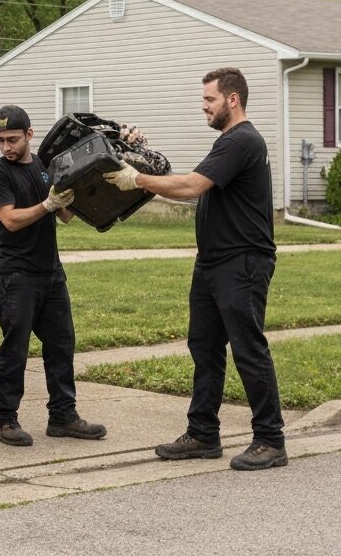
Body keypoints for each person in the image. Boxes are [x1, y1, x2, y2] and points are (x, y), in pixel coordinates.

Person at [102, 67, 287, 471]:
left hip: (242, 262)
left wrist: (137, 180)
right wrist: (137, 154)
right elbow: (186, 182)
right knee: (204, 348)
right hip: (213, 262)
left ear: (232, 100)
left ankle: (271, 440)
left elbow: (189, 186)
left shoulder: (242, 140)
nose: (203, 106)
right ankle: (203, 433)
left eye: (209, 100)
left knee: (248, 348)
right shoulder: (227, 143)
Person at [0, 105, 139, 446]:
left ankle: (63, 416)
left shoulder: (44, 167)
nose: (6, 147)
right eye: (0, 140)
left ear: (29, 135)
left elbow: (66, 214)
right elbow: (10, 219)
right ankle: (3, 420)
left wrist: (80, 191)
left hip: (50, 272)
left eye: (12, 139)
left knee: (61, 346)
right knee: (15, 348)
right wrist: (47, 206)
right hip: (16, 274)